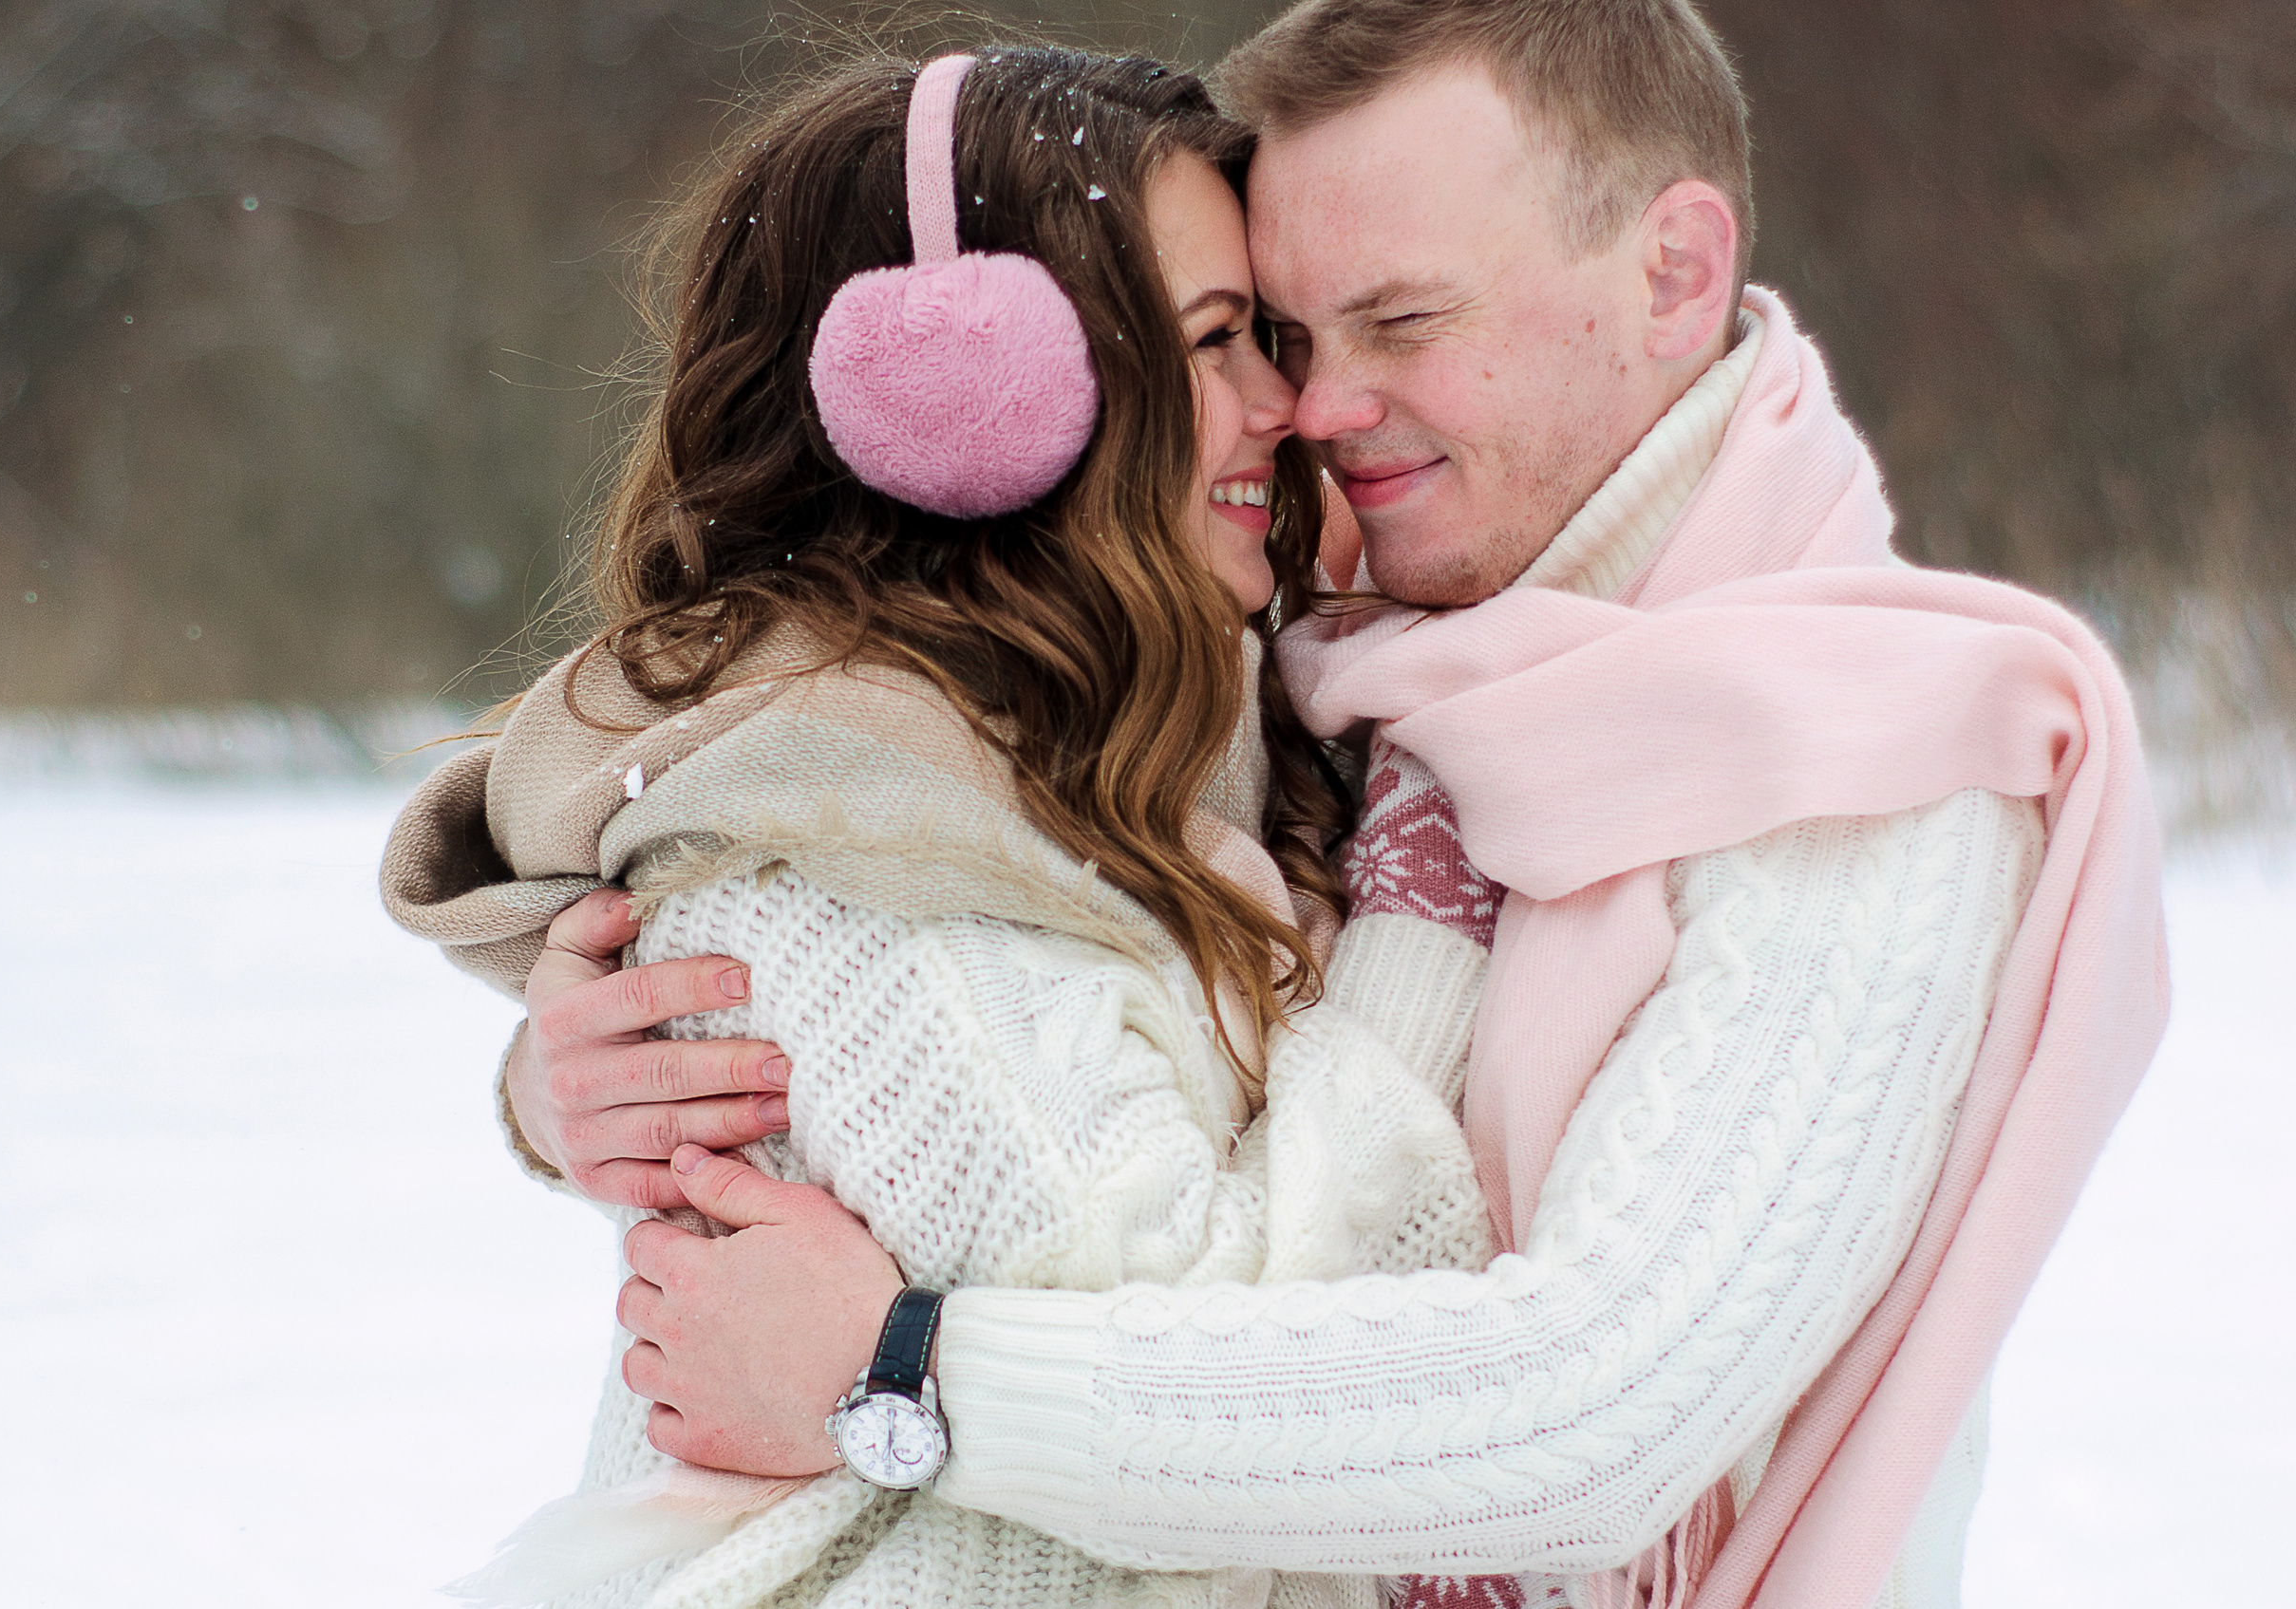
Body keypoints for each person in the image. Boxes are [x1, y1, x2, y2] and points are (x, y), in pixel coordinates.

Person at [479, 4, 2171, 1609]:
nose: (1320, 411)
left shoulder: (1864, 770)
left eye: (1405, 322)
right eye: (1277, 335)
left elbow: (1599, 1413)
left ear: (1673, 272)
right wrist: (600, 1067)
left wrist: (906, 1365)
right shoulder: (1360, 651)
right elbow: (938, 913)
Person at [386, 43, 1515, 1609]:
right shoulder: (867, 873)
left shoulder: (1112, 767)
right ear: (974, 405)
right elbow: (1315, 1346)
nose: (1286, 402)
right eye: (1212, 342)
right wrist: (1420, 930)